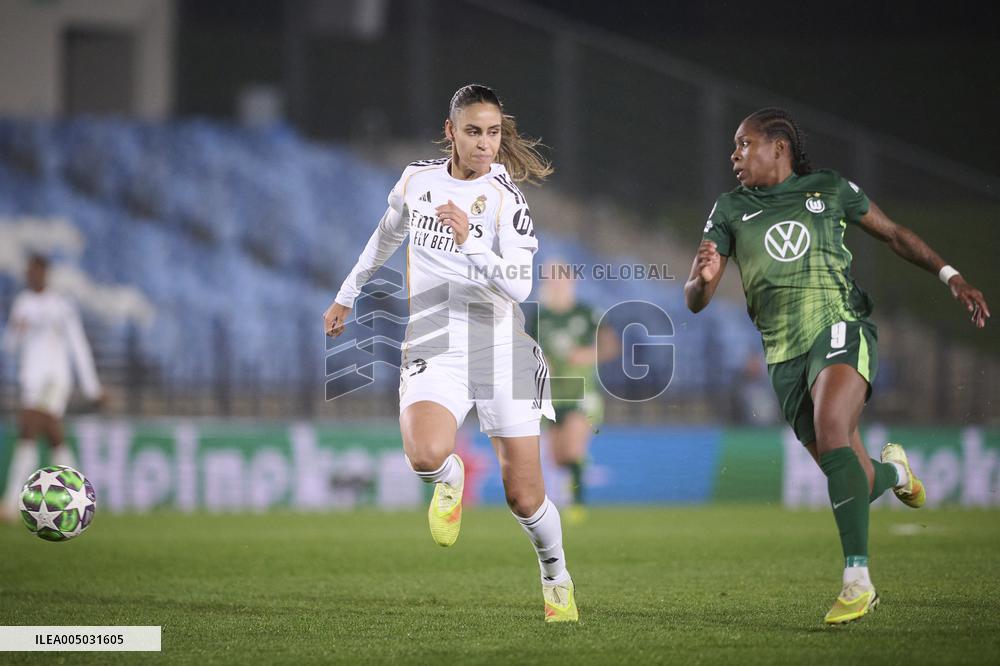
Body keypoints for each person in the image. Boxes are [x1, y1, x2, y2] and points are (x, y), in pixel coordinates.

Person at [684, 107, 990, 624]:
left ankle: (857, 581)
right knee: (847, 469)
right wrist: (702, 276)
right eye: (734, 146)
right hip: (783, 355)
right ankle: (894, 471)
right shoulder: (730, 209)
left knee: (832, 430)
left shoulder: (827, 189)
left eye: (743, 144)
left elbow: (892, 234)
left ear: (778, 147)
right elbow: (696, 300)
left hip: (839, 325)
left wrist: (951, 276)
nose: (734, 155)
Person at [323, 84, 578, 622]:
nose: (485, 144)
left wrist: (471, 242)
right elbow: (385, 235)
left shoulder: (507, 199)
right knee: (424, 453)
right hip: (434, 338)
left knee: (524, 497)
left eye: (492, 133)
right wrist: (347, 294)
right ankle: (449, 477)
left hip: (499, 345)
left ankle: (556, 577)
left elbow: (522, 287)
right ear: (451, 132)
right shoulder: (418, 180)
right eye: (473, 132)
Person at [2, 255, 104, 520]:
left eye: (36, 271)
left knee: (28, 427)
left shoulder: (61, 306)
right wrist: (17, 330)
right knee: (52, 433)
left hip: (55, 379)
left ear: (45, 273)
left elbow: (78, 346)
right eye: (29, 272)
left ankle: (11, 502)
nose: (32, 276)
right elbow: (10, 345)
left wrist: (92, 387)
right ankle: (83, 498)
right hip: (31, 381)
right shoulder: (22, 303)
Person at [529, 260, 618, 523]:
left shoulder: (586, 312)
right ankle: (577, 468)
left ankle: (578, 505)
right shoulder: (539, 316)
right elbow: (528, 350)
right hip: (552, 395)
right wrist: (541, 360)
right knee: (557, 459)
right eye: (549, 279)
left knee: (571, 450)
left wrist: (589, 353)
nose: (555, 284)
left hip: (582, 392)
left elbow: (611, 346)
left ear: (570, 281)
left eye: (560, 278)